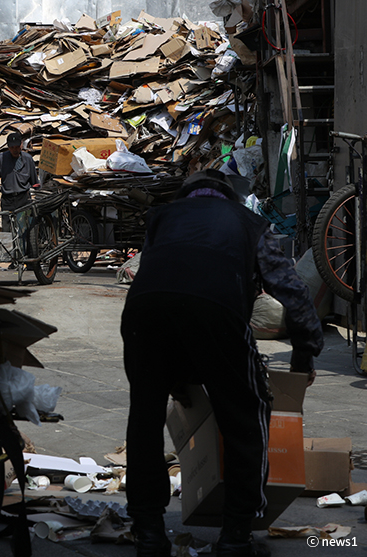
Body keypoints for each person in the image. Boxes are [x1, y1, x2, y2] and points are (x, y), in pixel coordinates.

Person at [120, 169, 324, 557]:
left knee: (143, 419)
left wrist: (174, 374)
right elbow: (291, 289)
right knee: (246, 415)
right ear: (228, 198)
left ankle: (148, 531)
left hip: (143, 314)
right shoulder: (248, 222)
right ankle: (235, 535)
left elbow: (164, 279)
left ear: (186, 196)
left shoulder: (163, 217)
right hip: (216, 311)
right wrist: (303, 352)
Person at [0, 132, 37, 231]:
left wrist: (38, 194)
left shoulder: (28, 159)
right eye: (12, 147)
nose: (15, 150)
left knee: (26, 231)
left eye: (17, 147)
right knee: (7, 231)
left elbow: (35, 181)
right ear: (8, 147)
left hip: (23, 199)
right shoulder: (1, 159)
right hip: (8, 200)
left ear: (21, 144)